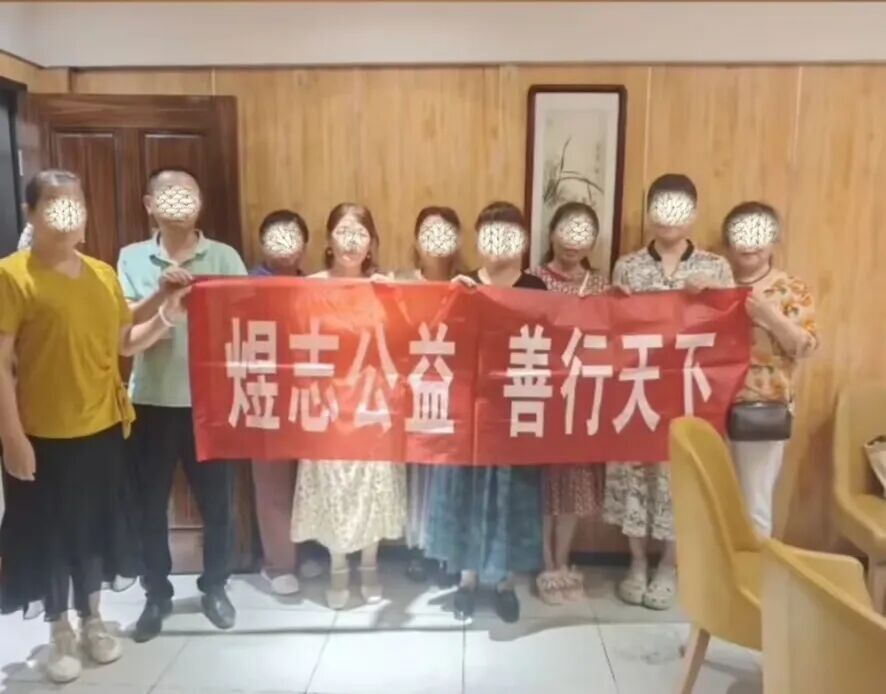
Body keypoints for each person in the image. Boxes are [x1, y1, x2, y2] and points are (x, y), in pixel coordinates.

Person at [0, 170, 187, 683]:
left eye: (75, 204)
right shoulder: (12, 276)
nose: (67, 215)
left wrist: (164, 306)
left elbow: (123, 340)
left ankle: (93, 620)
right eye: (54, 205)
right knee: (51, 535)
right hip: (42, 434)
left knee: (94, 531)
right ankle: (59, 629)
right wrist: (11, 436)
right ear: (32, 213)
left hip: (103, 428)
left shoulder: (102, 274)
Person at [118, 167, 248, 642]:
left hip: (212, 403)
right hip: (150, 403)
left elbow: (249, 319)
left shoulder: (225, 256)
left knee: (219, 505)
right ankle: (156, 593)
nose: (180, 202)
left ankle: (215, 586)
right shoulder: (132, 257)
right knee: (148, 505)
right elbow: (125, 335)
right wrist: (163, 300)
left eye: (188, 193)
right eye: (169, 195)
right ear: (150, 204)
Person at [603, 174, 733, 610]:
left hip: (691, 393)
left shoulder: (715, 267)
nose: (668, 217)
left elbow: (731, 325)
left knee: (680, 478)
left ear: (693, 213)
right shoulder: (628, 265)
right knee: (634, 476)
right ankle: (637, 563)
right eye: (660, 206)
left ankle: (668, 567)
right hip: (638, 389)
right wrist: (611, 303)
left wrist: (716, 295)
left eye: (678, 207)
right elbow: (612, 329)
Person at [425, 201, 546, 623]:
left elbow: (557, 338)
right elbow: (436, 340)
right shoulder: (463, 284)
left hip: (517, 408)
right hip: (468, 409)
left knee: (510, 497)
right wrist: (451, 301)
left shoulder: (536, 286)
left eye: (508, 234)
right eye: (490, 234)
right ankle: (467, 580)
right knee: (466, 494)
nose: (498, 243)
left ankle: (504, 584)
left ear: (523, 241)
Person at [291, 202, 407, 609]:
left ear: (372, 243)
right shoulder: (311, 287)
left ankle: (369, 565)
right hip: (326, 402)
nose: (352, 242)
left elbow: (404, 340)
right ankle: (338, 567)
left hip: (372, 402)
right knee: (334, 485)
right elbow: (296, 343)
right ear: (329, 239)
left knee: (371, 484)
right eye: (343, 232)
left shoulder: (383, 287)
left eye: (360, 234)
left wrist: (396, 299)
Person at [529, 201, 608, 605]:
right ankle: (545, 565)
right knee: (545, 487)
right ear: (552, 233)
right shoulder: (533, 280)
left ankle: (563, 561)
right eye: (568, 231)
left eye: (584, 234)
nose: (574, 242)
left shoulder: (601, 285)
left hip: (584, 399)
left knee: (574, 487)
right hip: (543, 397)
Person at [722, 201, 817, 536]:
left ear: (774, 239)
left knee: (754, 506)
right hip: (708, 405)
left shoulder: (791, 289)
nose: (749, 243)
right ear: (728, 242)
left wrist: (770, 317)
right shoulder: (715, 284)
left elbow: (805, 347)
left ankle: (753, 570)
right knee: (710, 499)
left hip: (761, 407)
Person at [247, 210, 320, 595]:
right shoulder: (247, 286)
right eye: (276, 236)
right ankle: (278, 564)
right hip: (266, 395)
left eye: (293, 236)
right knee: (272, 482)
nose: (286, 244)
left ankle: (301, 552)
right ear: (262, 243)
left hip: (309, 394)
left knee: (306, 479)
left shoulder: (314, 286)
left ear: (305, 245)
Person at [396, 206, 464, 583]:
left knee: (447, 475)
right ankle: (417, 549)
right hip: (413, 390)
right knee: (417, 472)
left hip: (454, 391)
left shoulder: (468, 284)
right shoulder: (400, 282)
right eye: (428, 233)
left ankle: (444, 548)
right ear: (416, 241)